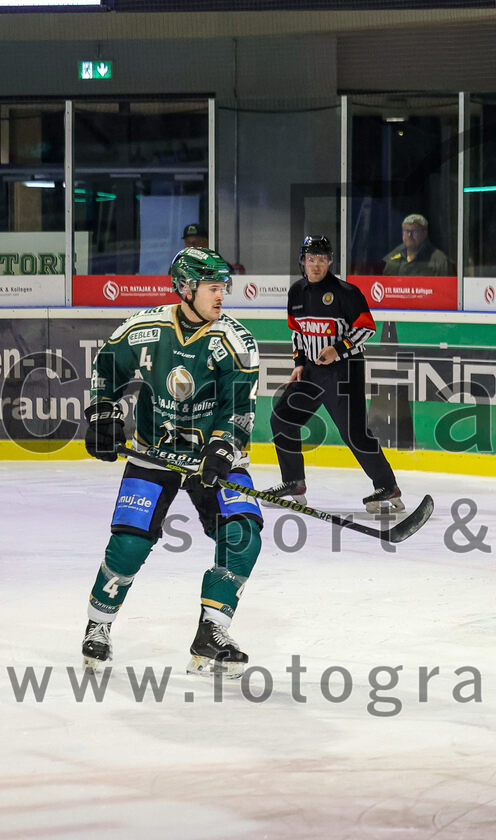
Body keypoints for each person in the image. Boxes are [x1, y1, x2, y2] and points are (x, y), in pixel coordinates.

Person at [81, 247, 263, 678]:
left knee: (243, 534)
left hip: (210, 457)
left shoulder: (236, 342)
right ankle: (98, 626)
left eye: (224, 288)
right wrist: (104, 413)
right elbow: (107, 365)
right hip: (153, 453)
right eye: (213, 288)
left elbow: (239, 412)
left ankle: (211, 634)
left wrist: (222, 448)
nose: (222, 296)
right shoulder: (145, 328)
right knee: (129, 543)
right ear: (185, 288)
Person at [265, 235, 403, 513]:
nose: (316, 265)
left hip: (345, 370)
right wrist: (299, 362)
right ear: (302, 261)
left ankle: (387, 486)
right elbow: (297, 332)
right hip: (312, 371)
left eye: (321, 259)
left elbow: (367, 328)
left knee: (353, 433)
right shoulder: (296, 292)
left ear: (330, 261)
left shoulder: (346, 293)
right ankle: (294, 481)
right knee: (282, 418)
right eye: (310, 259)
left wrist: (338, 349)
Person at [382, 213, 451, 276]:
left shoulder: (439, 260)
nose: (409, 235)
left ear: (424, 233)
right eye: (406, 231)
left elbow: (445, 288)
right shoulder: (392, 257)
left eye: (414, 232)